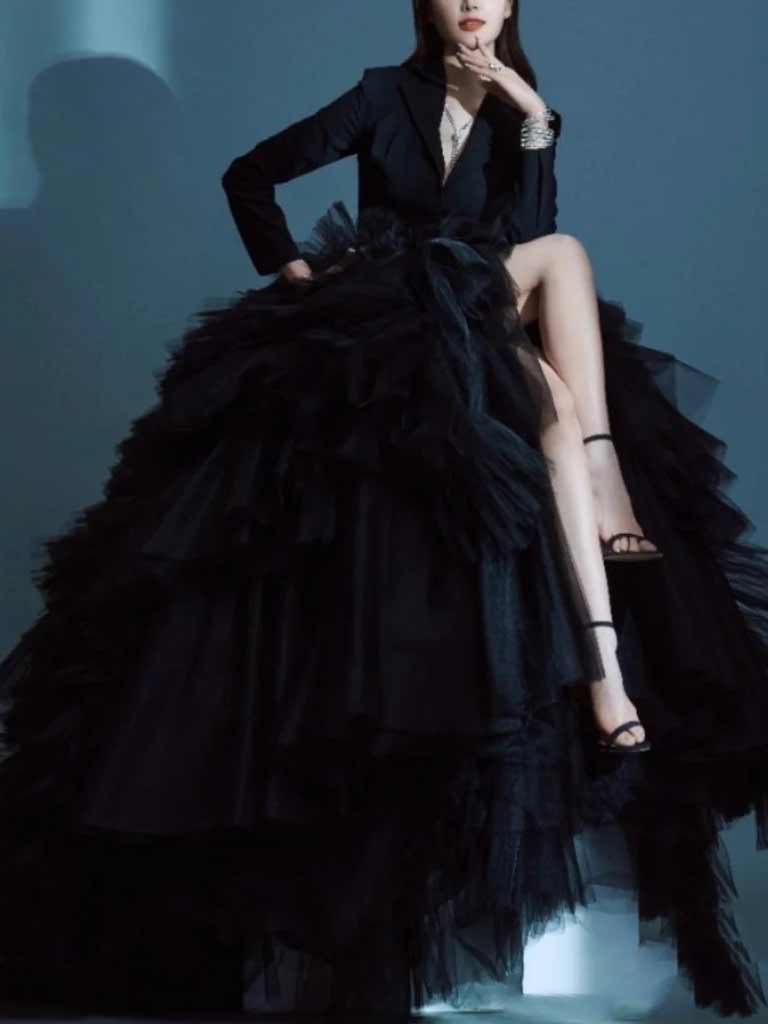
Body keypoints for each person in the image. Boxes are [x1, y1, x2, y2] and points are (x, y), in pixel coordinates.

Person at [0, 0, 767, 1016]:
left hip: (487, 303)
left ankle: (606, 653)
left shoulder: (523, 108)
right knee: (558, 380)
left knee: (561, 312)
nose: (472, 3)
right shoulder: (379, 96)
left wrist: (531, 119)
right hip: (394, 309)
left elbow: (523, 236)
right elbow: (251, 173)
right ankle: (604, 569)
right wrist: (293, 266)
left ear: (511, 6)